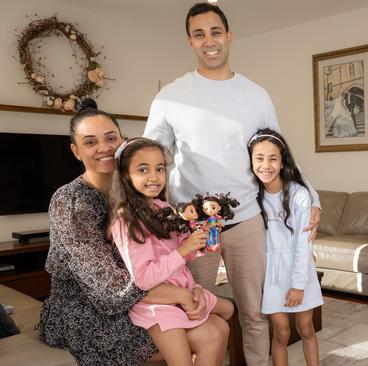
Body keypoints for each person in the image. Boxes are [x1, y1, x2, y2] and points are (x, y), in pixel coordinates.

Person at [143, 3, 321, 364]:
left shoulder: (256, 95)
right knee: (196, 311)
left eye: (215, 32)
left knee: (255, 314)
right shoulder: (170, 97)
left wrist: (312, 197)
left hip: (247, 221)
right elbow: (148, 160)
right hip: (193, 227)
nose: (209, 41)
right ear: (189, 41)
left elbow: (279, 153)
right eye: (199, 34)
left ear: (228, 36)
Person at [38, 99, 223, 366]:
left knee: (218, 323)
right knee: (209, 331)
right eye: (90, 142)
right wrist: (182, 296)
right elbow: (109, 290)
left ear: (122, 143)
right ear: (76, 151)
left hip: (147, 295)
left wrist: (191, 280)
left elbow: (165, 250)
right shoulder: (71, 203)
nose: (104, 148)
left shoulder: (140, 196)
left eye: (111, 138)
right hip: (90, 312)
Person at [108, 137, 234, 366]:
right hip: (157, 304)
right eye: (143, 169)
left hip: (181, 286)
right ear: (126, 175)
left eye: (159, 168)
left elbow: (183, 253)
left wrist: (200, 239)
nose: (154, 177)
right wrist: (184, 249)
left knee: (228, 311)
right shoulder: (126, 221)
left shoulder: (164, 209)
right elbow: (144, 279)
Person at [248, 129, 323, 366]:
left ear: (282, 162)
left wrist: (298, 286)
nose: (265, 165)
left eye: (273, 158)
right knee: (280, 333)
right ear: (251, 161)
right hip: (271, 271)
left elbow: (303, 243)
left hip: (299, 267)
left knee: (306, 328)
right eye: (259, 158)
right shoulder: (252, 195)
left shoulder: (299, 195)